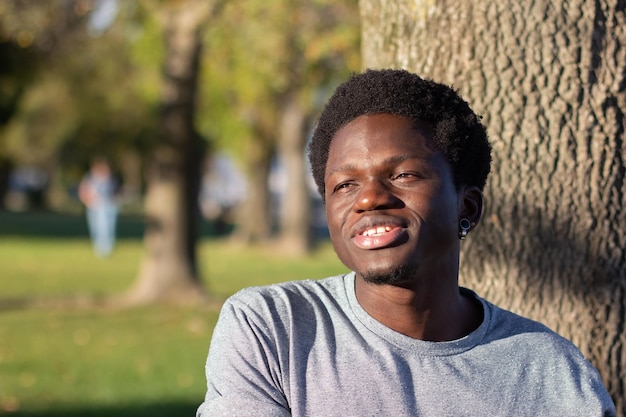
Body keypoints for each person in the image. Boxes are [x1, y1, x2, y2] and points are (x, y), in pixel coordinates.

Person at [197, 69, 615, 416]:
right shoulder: (274, 329)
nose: (368, 198)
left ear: (466, 208)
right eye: (344, 184)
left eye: (403, 175)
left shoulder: (551, 374)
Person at [78, 157, 119, 257]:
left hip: (107, 205)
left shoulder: (111, 179)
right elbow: (83, 191)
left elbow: (116, 192)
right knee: (97, 228)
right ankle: (101, 249)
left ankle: (106, 249)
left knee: (107, 228)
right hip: (95, 206)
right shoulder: (90, 178)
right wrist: (88, 202)